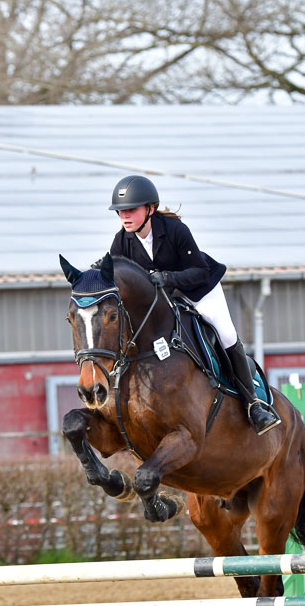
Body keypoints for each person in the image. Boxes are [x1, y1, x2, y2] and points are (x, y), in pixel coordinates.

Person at [108, 174, 280, 435]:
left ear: (150, 209)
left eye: (131, 209)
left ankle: (253, 405)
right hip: (167, 299)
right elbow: (112, 272)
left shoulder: (175, 231)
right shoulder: (121, 242)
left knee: (225, 334)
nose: (125, 216)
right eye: (120, 211)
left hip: (200, 290)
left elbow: (199, 270)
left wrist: (168, 278)